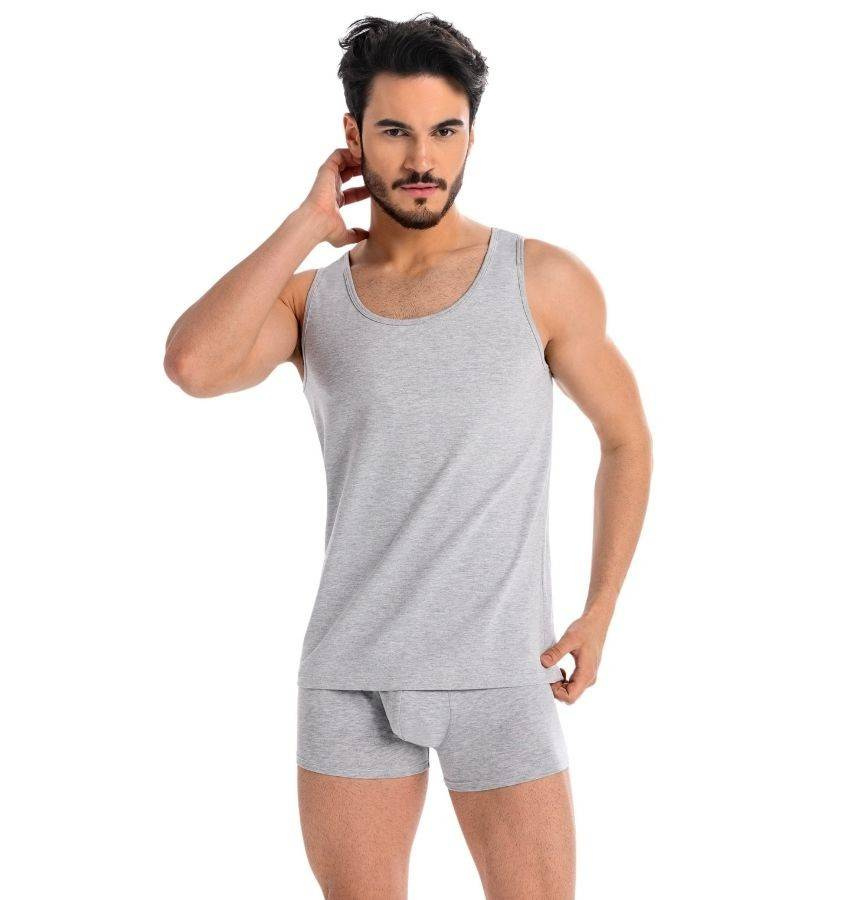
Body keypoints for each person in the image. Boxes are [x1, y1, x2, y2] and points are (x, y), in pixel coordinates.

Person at [163, 13, 652, 900]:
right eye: (394, 132)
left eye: (444, 131)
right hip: (351, 674)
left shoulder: (541, 281)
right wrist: (305, 224)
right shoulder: (314, 302)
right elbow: (193, 365)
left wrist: (602, 608)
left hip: (503, 671)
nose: (423, 158)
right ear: (353, 139)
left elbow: (626, 438)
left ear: (471, 135)